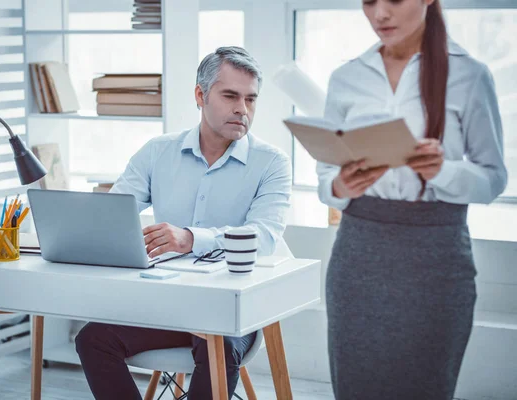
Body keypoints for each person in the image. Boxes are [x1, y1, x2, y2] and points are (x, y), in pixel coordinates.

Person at [75, 46, 292, 400]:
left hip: (231, 310)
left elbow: (263, 237)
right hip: (167, 304)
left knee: (216, 346)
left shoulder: (271, 163)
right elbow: (112, 213)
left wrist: (192, 238)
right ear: (199, 95)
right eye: (230, 96)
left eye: (251, 99)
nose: (243, 109)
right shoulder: (158, 152)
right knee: (93, 339)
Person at [317, 1, 507, 399]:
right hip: (358, 256)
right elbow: (324, 176)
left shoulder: (470, 76)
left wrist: (443, 171)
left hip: (436, 261)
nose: (380, 14)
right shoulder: (346, 77)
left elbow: (493, 179)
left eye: (394, 0)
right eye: (369, 2)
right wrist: (341, 186)